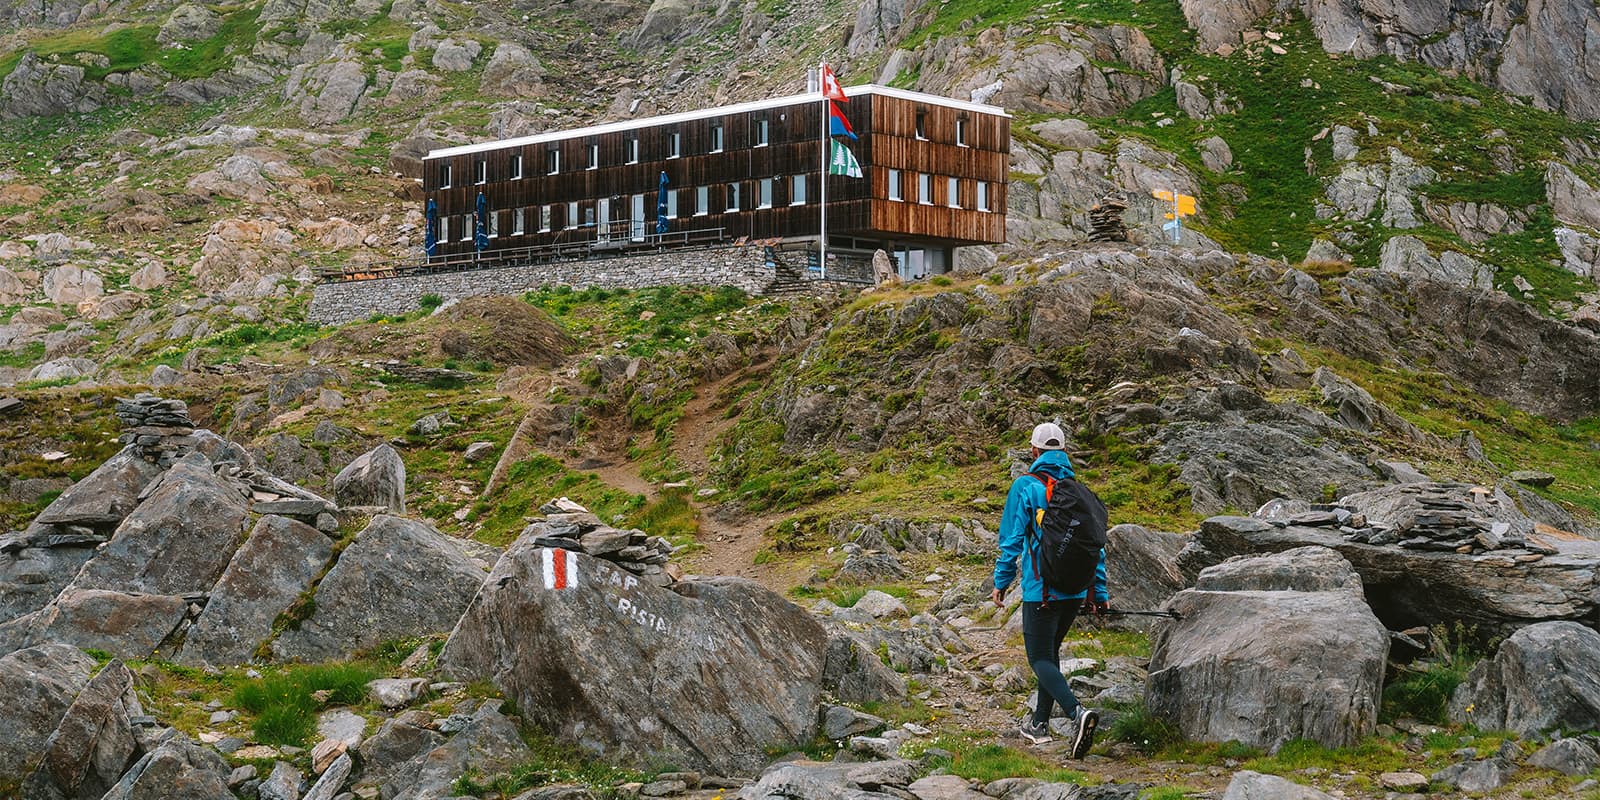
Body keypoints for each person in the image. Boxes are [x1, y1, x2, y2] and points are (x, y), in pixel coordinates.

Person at [991, 421, 1109, 757]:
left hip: (1041, 592)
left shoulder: (1025, 487)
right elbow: (1096, 548)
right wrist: (1098, 593)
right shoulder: (1078, 492)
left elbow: (1011, 542)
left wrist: (1000, 583)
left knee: (1039, 658)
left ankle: (1076, 713)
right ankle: (1039, 724)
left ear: (1034, 451)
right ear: (1063, 453)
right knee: (1051, 656)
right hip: (1074, 591)